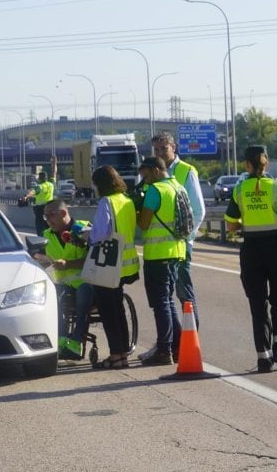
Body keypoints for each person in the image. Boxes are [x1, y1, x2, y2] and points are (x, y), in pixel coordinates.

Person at [223, 145, 277, 373]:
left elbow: (231, 225)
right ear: (266, 163)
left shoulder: (239, 189)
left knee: (258, 304)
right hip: (276, 248)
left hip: (252, 250)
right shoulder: (276, 187)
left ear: (247, 164)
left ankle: (264, 357)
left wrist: (249, 221)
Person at [148, 131, 205, 337]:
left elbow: (198, 211)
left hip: (180, 246)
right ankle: (176, 342)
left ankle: (191, 339)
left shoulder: (186, 171)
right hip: (163, 248)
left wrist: (187, 239)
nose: (161, 153)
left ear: (174, 148)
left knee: (184, 293)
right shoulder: (153, 172)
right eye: (157, 149)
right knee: (165, 297)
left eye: (164, 148)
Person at [84, 165, 141, 369]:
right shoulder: (126, 200)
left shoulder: (106, 202)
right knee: (118, 311)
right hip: (126, 265)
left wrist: (87, 237)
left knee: (109, 314)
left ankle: (116, 356)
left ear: (100, 184)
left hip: (109, 266)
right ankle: (123, 354)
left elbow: (100, 232)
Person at [134, 156, 186, 366]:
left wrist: (135, 209)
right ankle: (178, 344)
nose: (144, 181)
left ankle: (164, 350)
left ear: (155, 170)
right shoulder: (177, 186)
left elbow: (144, 224)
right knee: (168, 300)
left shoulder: (156, 191)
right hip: (176, 251)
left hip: (158, 253)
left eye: (145, 176)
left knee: (160, 303)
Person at [32, 200, 91, 361]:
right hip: (64, 285)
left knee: (83, 297)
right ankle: (60, 340)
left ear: (64, 213)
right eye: (46, 216)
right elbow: (41, 258)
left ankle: (76, 342)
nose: (49, 220)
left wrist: (68, 264)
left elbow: (95, 258)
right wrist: (38, 261)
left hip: (86, 282)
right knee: (50, 295)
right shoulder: (46, 235)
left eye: (52, 215)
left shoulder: (84, 229)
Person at [23, 171, 56, 235]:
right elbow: (54, 173)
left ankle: (41, 239)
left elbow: (33, 192)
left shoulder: (40, 186)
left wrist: (26, 197)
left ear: (39, 179)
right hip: (50, 208)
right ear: (46, 178)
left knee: (40, 226)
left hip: (40, 209)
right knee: (49, 224)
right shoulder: (51, 184)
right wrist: (54, 164)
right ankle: (51, 237)